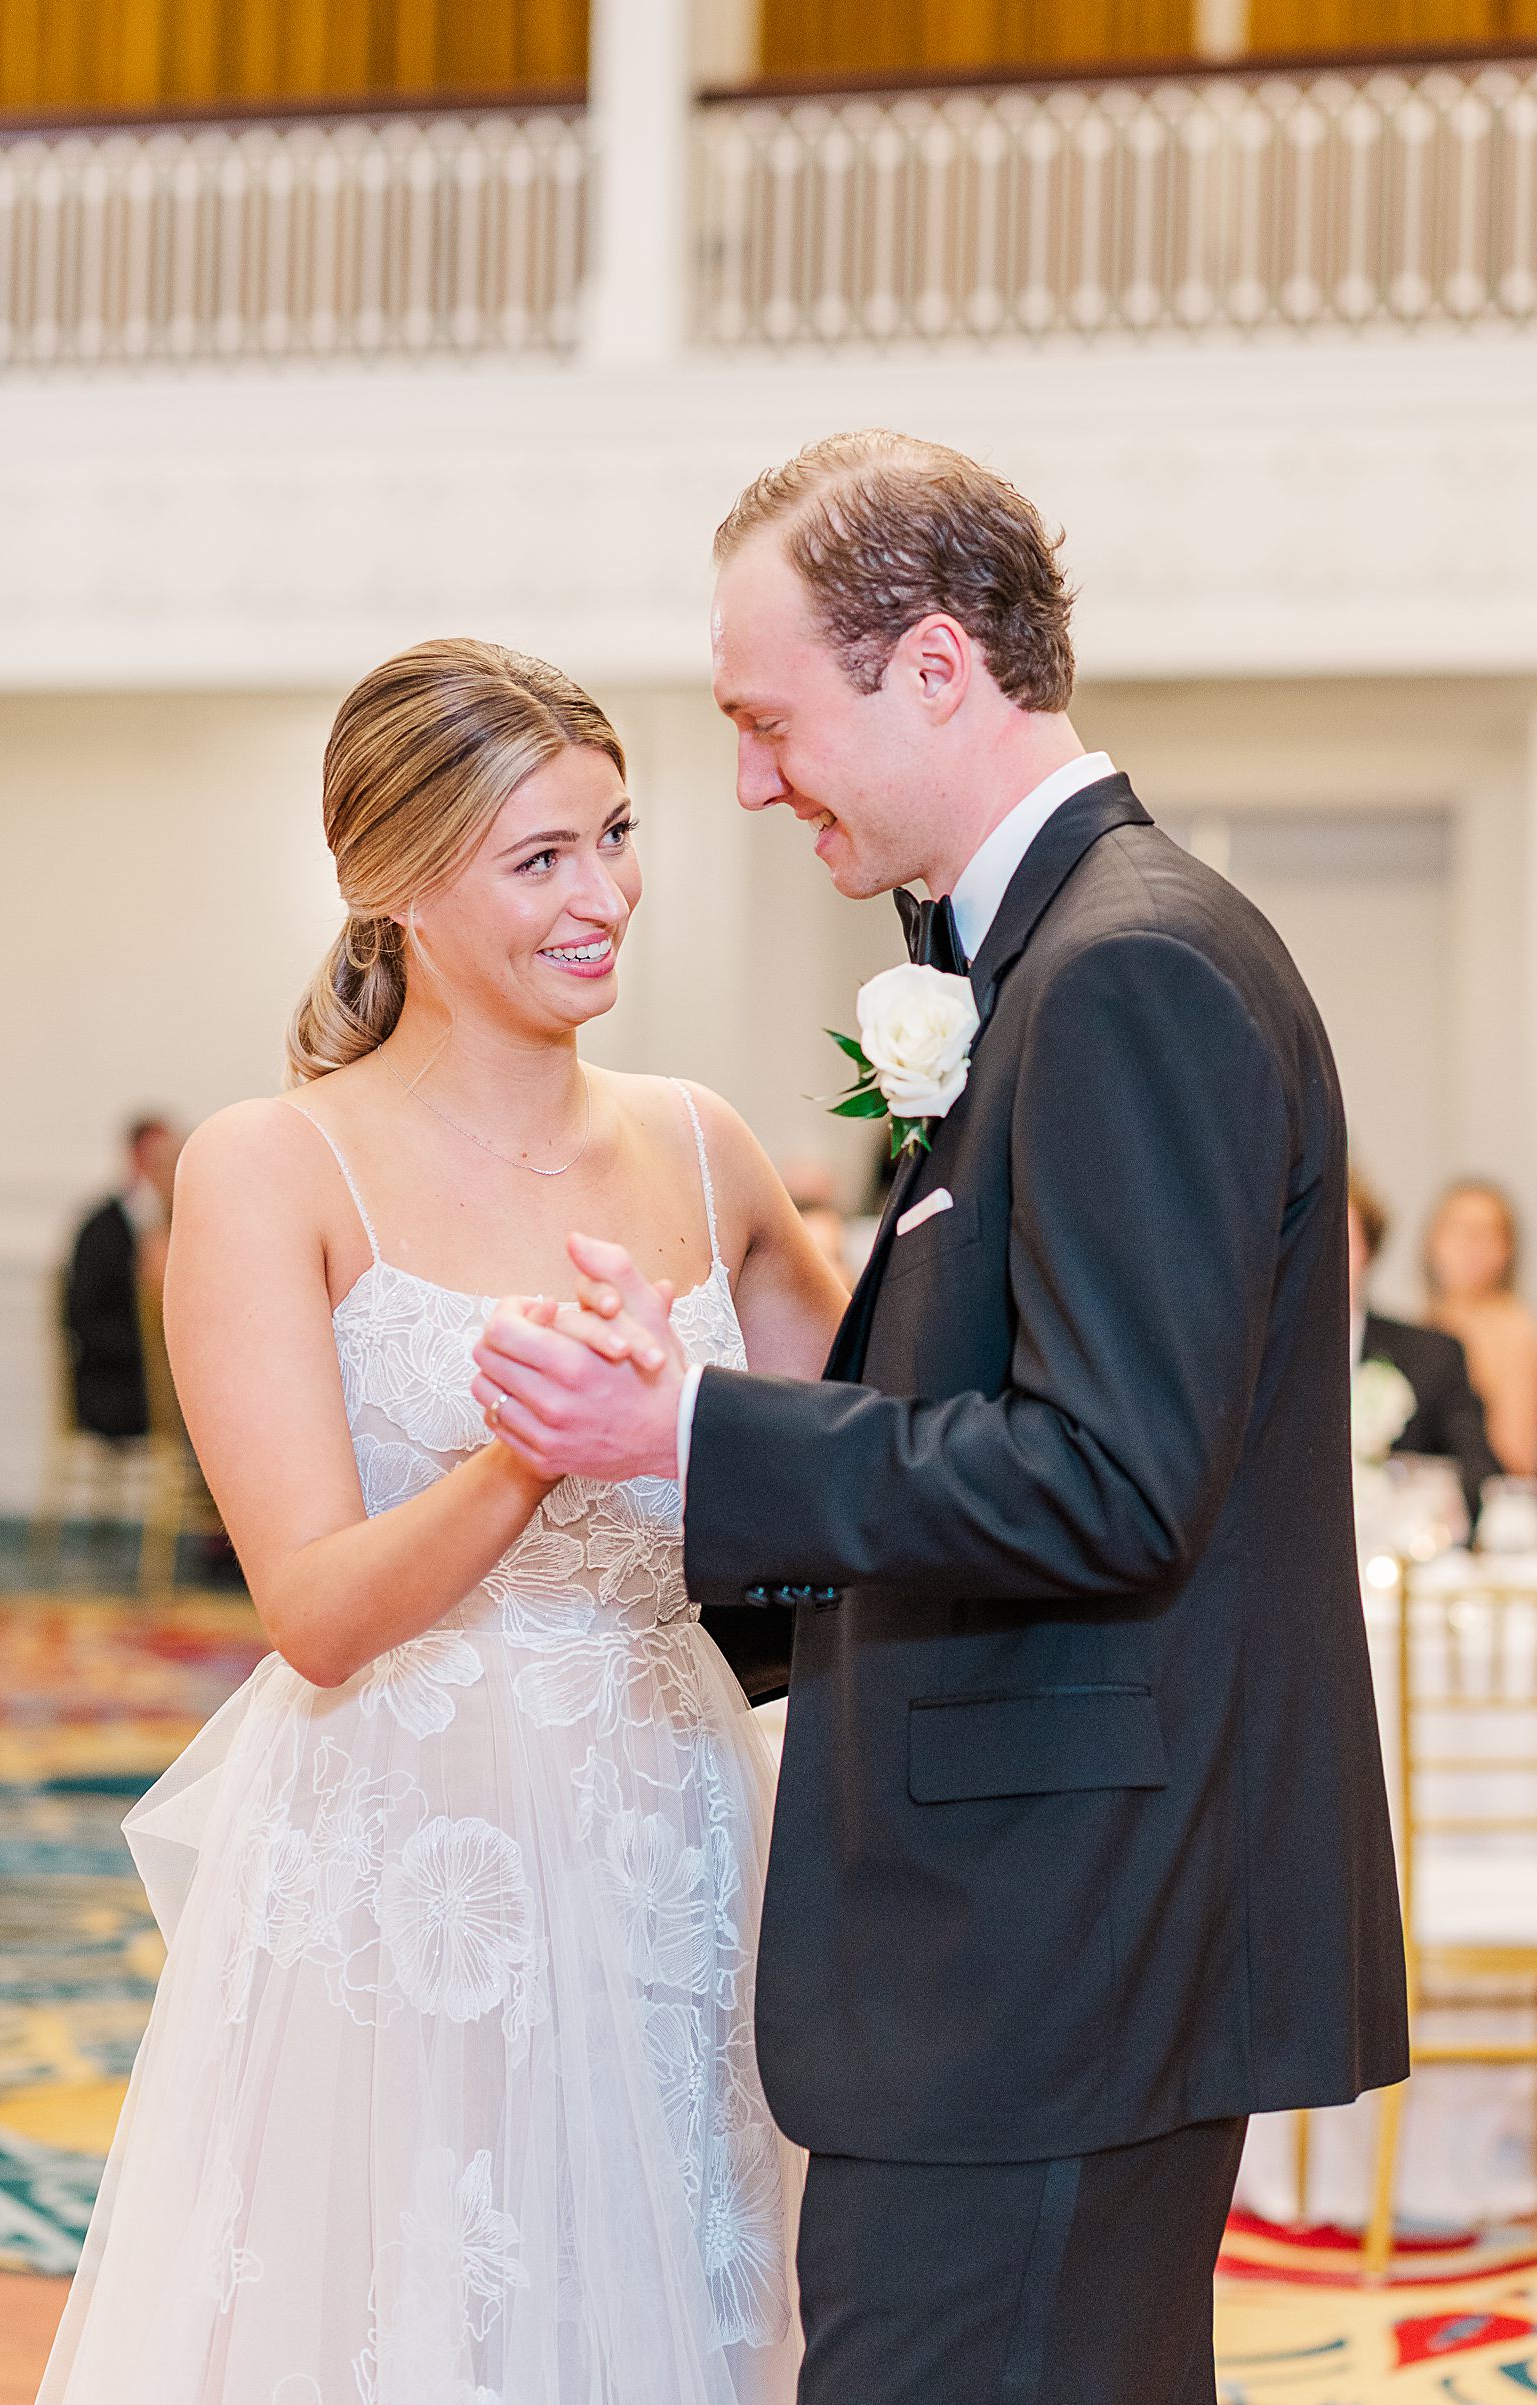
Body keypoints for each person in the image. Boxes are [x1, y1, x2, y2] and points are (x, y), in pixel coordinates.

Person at [472, 432, 1410, 2405]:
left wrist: (691, 1434)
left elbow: (1108, 1482)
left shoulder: (1119, 965)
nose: (741, 780)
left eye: (761, 718)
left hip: (1052, 1946)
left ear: (926, 667)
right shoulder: (1060, 954)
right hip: (1054, 1933)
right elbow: (998, 1429)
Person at [37, 640, 846, 2405]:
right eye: (541, 857)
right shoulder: (273, 1166)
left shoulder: (701, 1146)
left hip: (678, 1823)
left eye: (617, 836)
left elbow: (872, 1434)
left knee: (701, 2309)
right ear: (392, 887)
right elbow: (314, 1613)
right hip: (413, 1853)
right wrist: (530, 1453)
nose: (607, 895)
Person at [1350, 1166, 1498, 1523]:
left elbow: (1478, 1467)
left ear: (1368, 1252)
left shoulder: (1429, 1354)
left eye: (1343, 1242)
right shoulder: (1254, 1361)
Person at [63, 1115, 182, 1438]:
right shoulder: (102, 1229)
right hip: (115, 1385)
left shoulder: (181, 1226)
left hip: (158, 1377)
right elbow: (85, 1319)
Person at [1424, 1177, 1537, 1477]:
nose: (1472, 1245)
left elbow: (1515, 1458)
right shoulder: (1421, 1325)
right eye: (1459, 1229)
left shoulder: (1515, 1329)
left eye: (1488, 1232)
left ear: (1507, 1249)